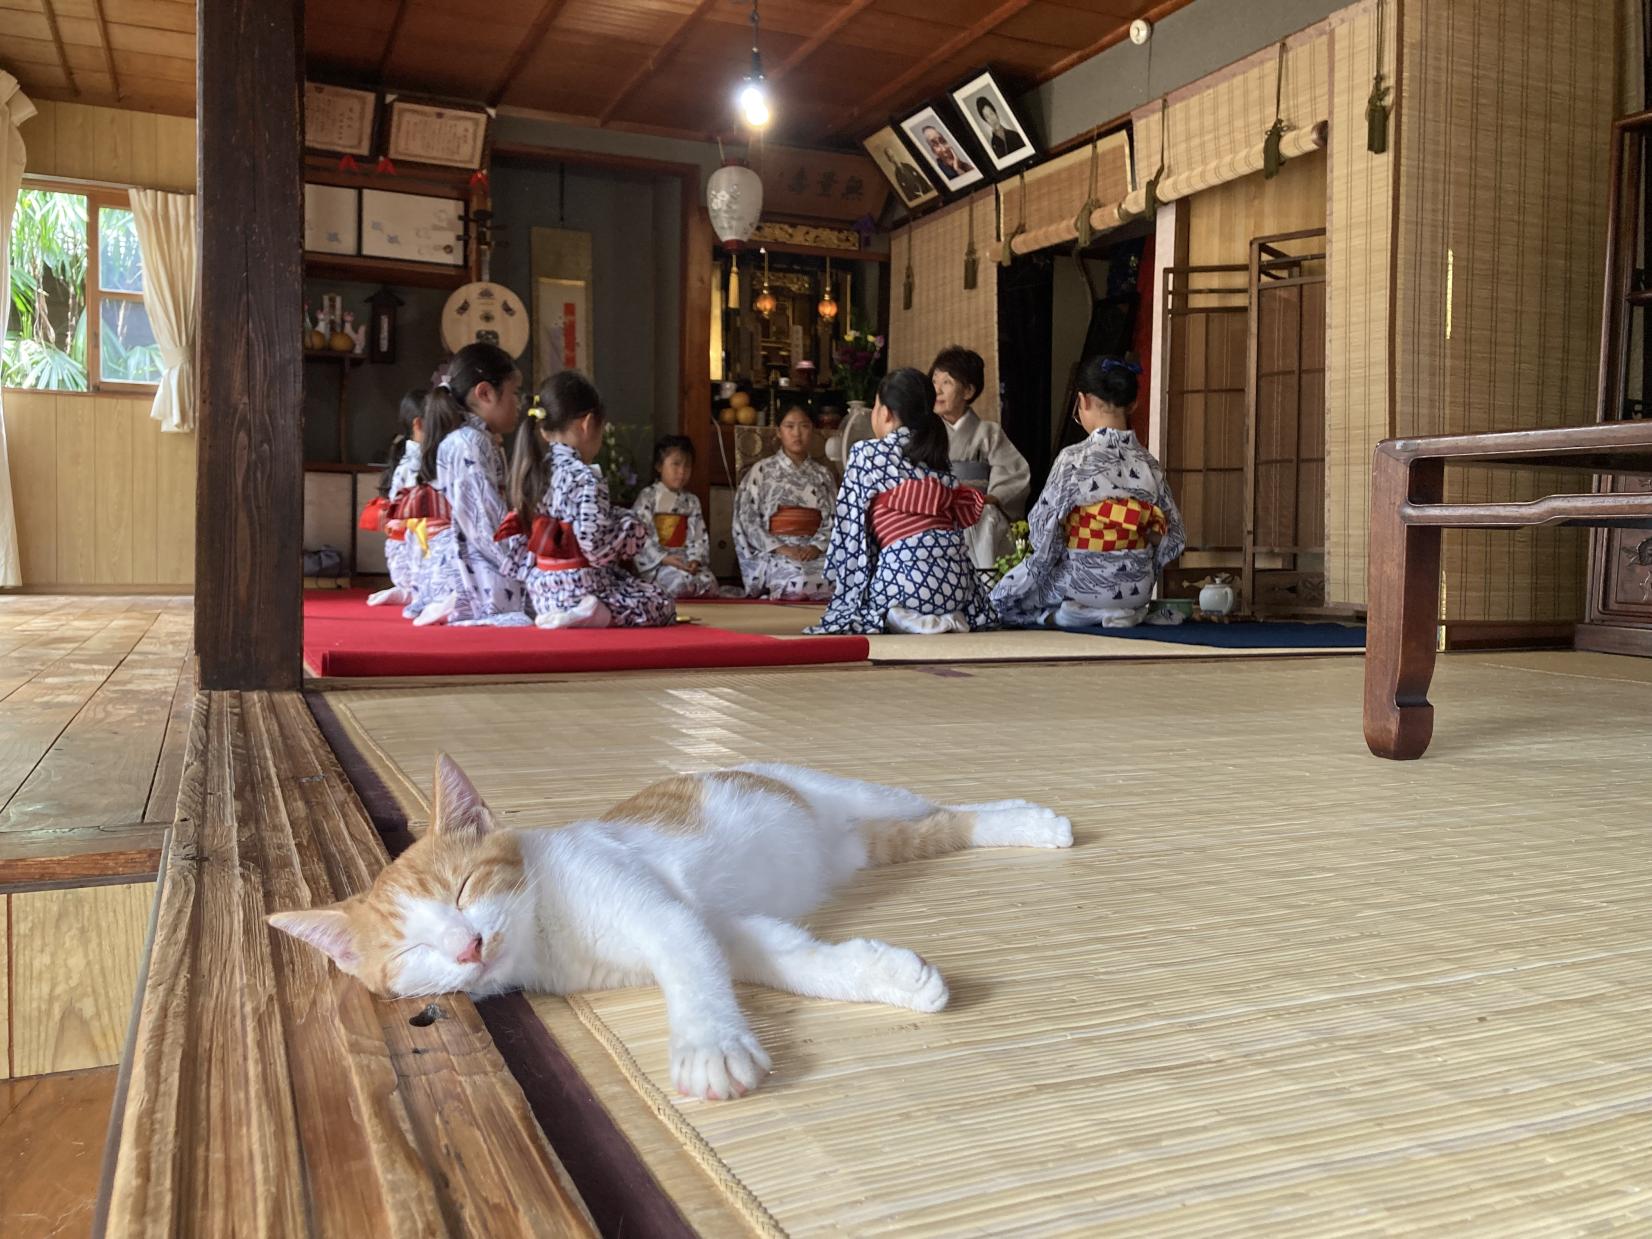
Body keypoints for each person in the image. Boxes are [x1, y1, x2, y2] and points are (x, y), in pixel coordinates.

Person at [991, 357, 1185, 629]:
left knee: (1004, 601)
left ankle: (1077, 613)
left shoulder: (1074, 459)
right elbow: (1174, 539)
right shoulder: (1149, 463)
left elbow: (1043, 533)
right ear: (1133, 404)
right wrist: (1136, 556)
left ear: (1082, 401)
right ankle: (1120, 611)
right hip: (1136, 589)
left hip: (1081, 583)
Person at [809, 368, 996, 635]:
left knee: (867, 608)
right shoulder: (935, 456)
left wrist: (847, 597)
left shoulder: (867, 453)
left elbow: (850, 533)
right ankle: (946, 615)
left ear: (885, 412)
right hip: (956, 585)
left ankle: (902, 616)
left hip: (905, 582)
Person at [505, 370, 675, 630]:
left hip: (542, 591)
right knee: (659, 602)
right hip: (582, 586)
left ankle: (569, 612)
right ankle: (592, 613)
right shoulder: (585, 478)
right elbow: (595, 548)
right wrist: (630, 526)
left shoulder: (533, 471)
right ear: (587, 424)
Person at [405, 344, 531, 627]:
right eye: (514, 393)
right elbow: (485, 526)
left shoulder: (477, 439)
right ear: (485, 393)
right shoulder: (468, 443)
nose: (519, 403)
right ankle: (459, 602)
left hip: (475, 557)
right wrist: (528, 565)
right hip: (465, 569)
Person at [930, 345, 1030, 573]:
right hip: (937, 505)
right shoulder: (927, 435)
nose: (937, 390)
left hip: (978, 509)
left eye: (946, 382)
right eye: (934, 382)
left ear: (967, 391)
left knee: (985, 520)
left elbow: (1013, 472)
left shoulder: (988, 432)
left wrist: (994, 497)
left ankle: (985, 585)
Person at [733, 406, 837, 601]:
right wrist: (781, 548)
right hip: (777, 552)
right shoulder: (762, 471)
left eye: (804, 426)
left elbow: (836, 519)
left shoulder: (823, 475)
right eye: (789, 426)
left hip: (813, 551)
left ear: (812, 430)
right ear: (779, 432)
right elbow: (747, 520)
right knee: (797, 579)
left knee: (837, 579)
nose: (797, 433)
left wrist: (816, 546)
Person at [632, 435, 718, 599]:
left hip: (685, 561)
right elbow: (640, 535)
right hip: (659, 563)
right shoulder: (648, 497)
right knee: (678, 583)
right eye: (676, 464)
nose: (682, 471)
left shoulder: (691, 501)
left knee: (709, 583)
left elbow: (698, 535)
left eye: (687, 466)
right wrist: (664, 558)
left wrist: (695, 560)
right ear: (659, 466)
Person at [366, 387, 426, 609]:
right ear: (418, 425)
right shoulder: (412, 465)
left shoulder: (417, 461)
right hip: (411, 540)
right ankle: (412, 590)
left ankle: (410, 590)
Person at [975, 96, 1027, 160]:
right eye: (987, 117)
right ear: (986, 121)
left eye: (991, 113)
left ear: (996, 113)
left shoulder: (1014, 135)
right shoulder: (993, 145)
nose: (992, 119)